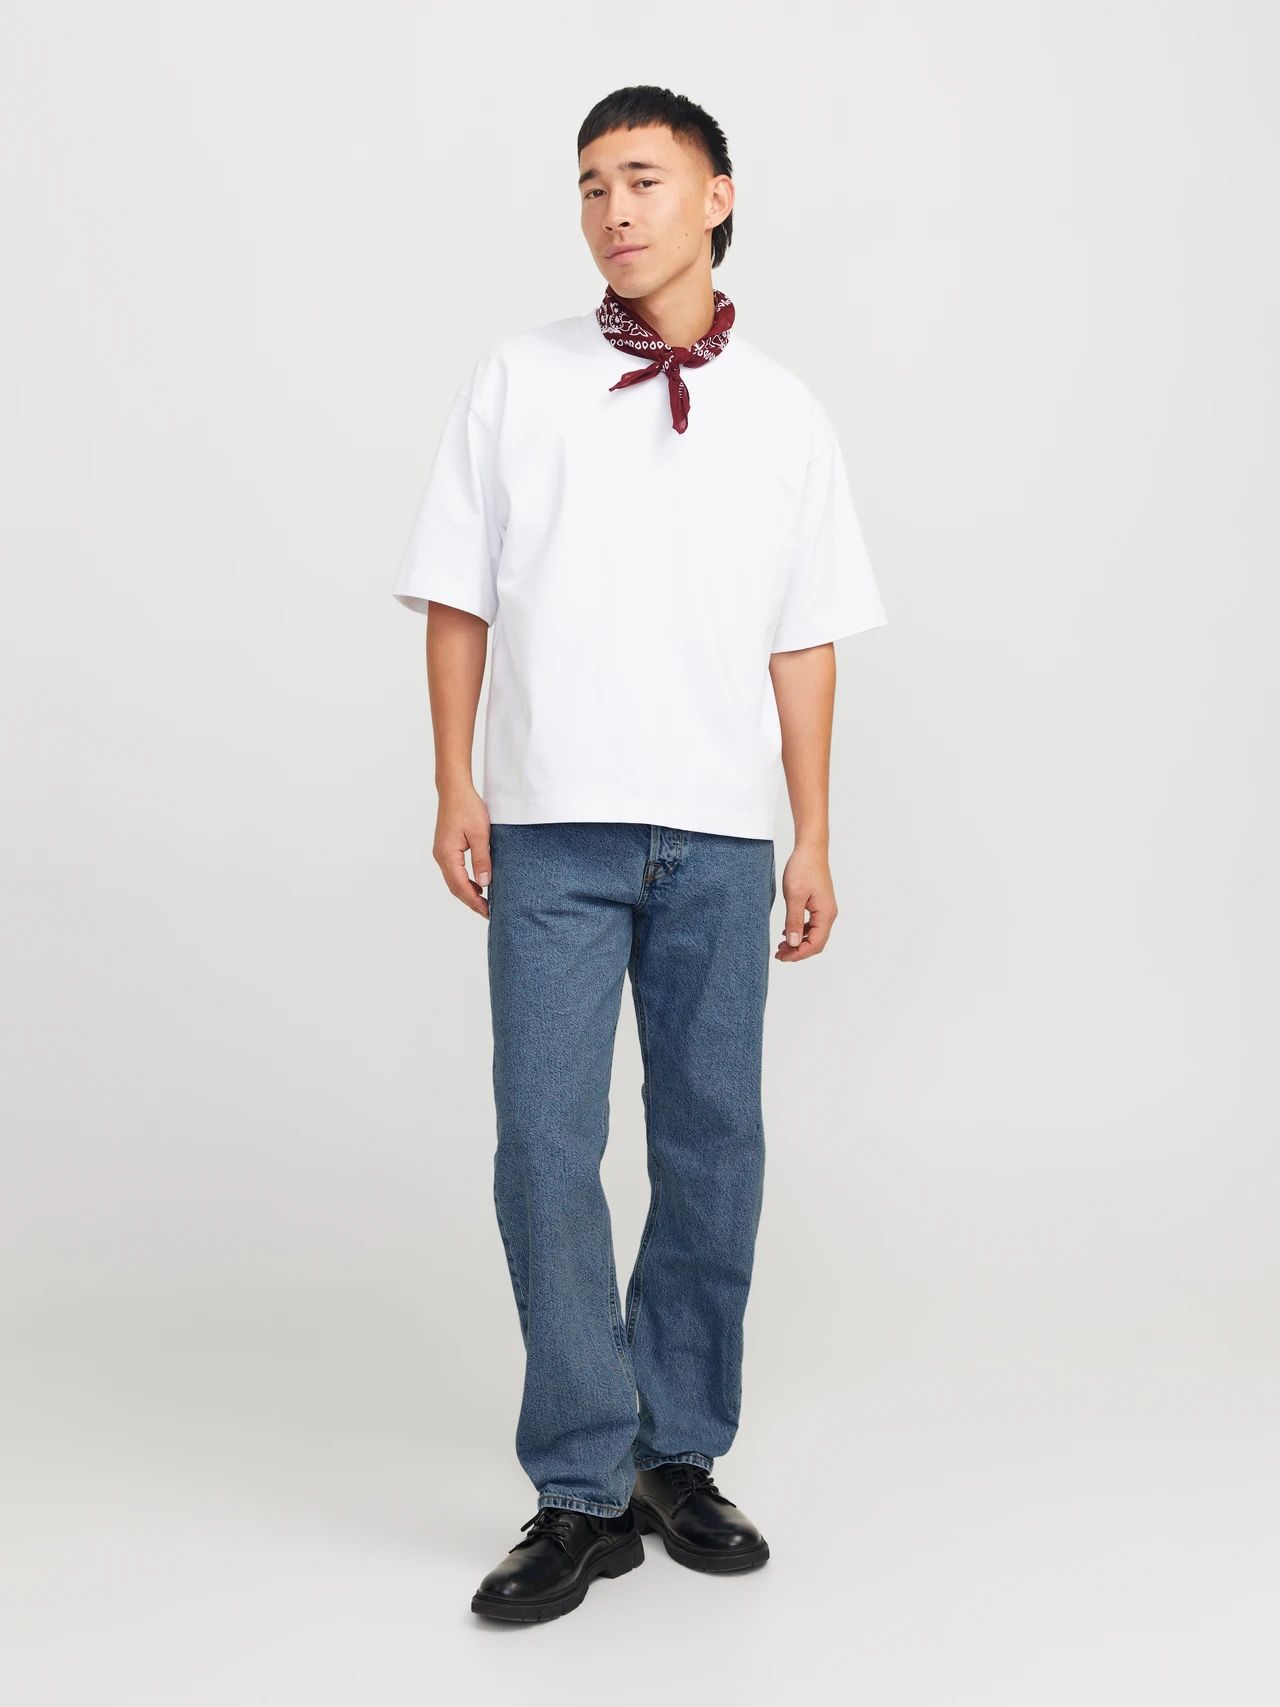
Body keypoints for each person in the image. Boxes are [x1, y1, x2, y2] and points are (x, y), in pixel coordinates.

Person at [392, 85, 887, 1623]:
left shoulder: (786, 414)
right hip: (550, 829)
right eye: (593, 185)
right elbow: (459, 594)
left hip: (723, 839)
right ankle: (579, 1486)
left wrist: (814, 831)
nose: (615, 210)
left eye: (646, 180)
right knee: (544, 1148)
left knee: (712, 1146)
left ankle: (679, 1451)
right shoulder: (518, 379)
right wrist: (455, 783)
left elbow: (805, 640)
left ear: (717, 196)